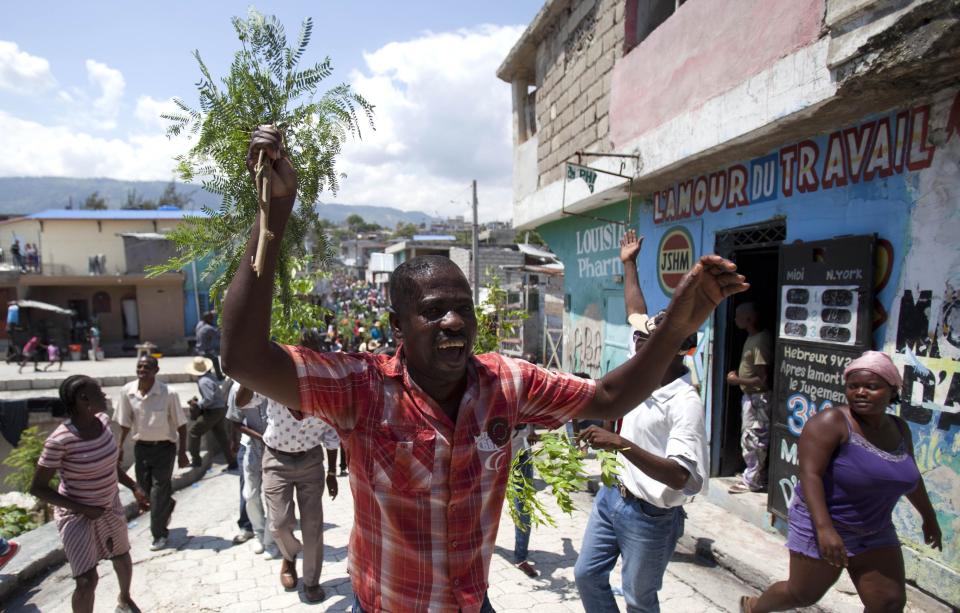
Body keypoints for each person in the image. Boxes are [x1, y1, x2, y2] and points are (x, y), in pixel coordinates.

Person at [220, 126, 747, 612]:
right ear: (397, 328)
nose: (453, 322)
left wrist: (674, 328)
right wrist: (273, 215)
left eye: (462, 309)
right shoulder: (363, 386)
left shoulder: (508, 383)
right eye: (432, 312)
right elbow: (243, 359)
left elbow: (608, 398)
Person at [741, 351, 942, 613]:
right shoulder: (831, 422)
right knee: (802, 594)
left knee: (888, 603)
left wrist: (929, 517)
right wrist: (825, 529)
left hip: (875, 528)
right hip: (823, 523)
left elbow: (910, 477)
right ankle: (755, 608)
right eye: (853, 386)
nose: (861, 392)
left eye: (872, 386)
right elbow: (810, 475)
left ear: (892, 391)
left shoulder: (899, 428)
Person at [574, 228, 708, 612]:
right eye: (647, 333)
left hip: (652, 517)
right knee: (586, 576)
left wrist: (621, 444)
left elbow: (682, 477)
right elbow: (635, 309)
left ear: (680, 349)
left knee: (638, 598)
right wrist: (629, 263)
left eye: (658, 335)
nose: (644, 338)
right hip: (611, 495)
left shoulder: (684, 403)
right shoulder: (648, 348)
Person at [30, 375, 149, 613]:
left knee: (122, 557)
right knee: (86, 581)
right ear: (84, 399)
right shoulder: (59, 440)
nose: (104, 395)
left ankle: (125, 599)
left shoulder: (104, 422)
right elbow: (37, 488)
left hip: (108, 505)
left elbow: (110, 465)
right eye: (98, 391)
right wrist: (84, 509)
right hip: (77, 515)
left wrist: (134, 487)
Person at [256, 328, 340, 602]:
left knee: (313, 524)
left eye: (313, 348)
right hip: (276, 459)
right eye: (302, 348)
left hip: (310, 461)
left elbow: (331, 434)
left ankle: (312, 581)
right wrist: (251, 371)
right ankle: (289, 556)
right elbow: (244, 400)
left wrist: (332, 472)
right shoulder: (277, 375)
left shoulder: (327, 385)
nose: (307, 354)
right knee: (278, 524)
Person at [116, 356, 190, 551]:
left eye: (147, 367)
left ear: (156, 370)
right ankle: (168, 503)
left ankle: (159, 535)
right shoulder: (128, 392)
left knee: (158, 492)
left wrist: (182, 453)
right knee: (146, 490)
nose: (142, 370)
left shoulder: (168, 393)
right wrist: (119, 447)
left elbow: (181, 425)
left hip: (164, 448)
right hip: (141, 448)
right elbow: (124, 422)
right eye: (139, 366)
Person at [726, 302, 772, 494]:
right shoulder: (752, 338)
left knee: (754, 439)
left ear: (749, 319)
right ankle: (752, 474)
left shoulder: (760, 341)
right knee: (750, 438)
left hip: (758, 398)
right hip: (751, 397)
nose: (735, 319)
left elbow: (762, 379)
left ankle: (753, 480)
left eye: (738, 316)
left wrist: (738, 380)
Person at [225, 379, 273, 555]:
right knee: (250, 494)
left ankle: (269, 540)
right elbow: (235, 421)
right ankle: (258, 533)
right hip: (251, 446)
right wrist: (260, 437)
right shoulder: (237, 388)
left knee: (273, 496)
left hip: (276, 448)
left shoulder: (272, 383)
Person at [185, 356, 236, 469]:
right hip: (219, 409)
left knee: (193, 432)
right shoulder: (210, 377)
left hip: (213, 411)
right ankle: (232, 461)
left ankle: (196, 460)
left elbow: (209, 398)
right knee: (221, 436)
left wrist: (197, 405)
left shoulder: (203, 381)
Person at [510, 423, 539, 578]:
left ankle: (521, 557)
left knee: (523, 509)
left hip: (521, 458)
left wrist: (532, 431)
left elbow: (533, 412)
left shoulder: (525, 400)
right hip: (494, 456)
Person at [195, 311, 224, 380]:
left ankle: (208, 374)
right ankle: (219, 376)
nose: (213, 319)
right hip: (205, 351)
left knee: (212, 357)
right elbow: (220, 335)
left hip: (198, 349)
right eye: (211, 318)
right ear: (209, 319)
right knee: (215, 359)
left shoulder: (200, 324)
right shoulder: (209, 328)